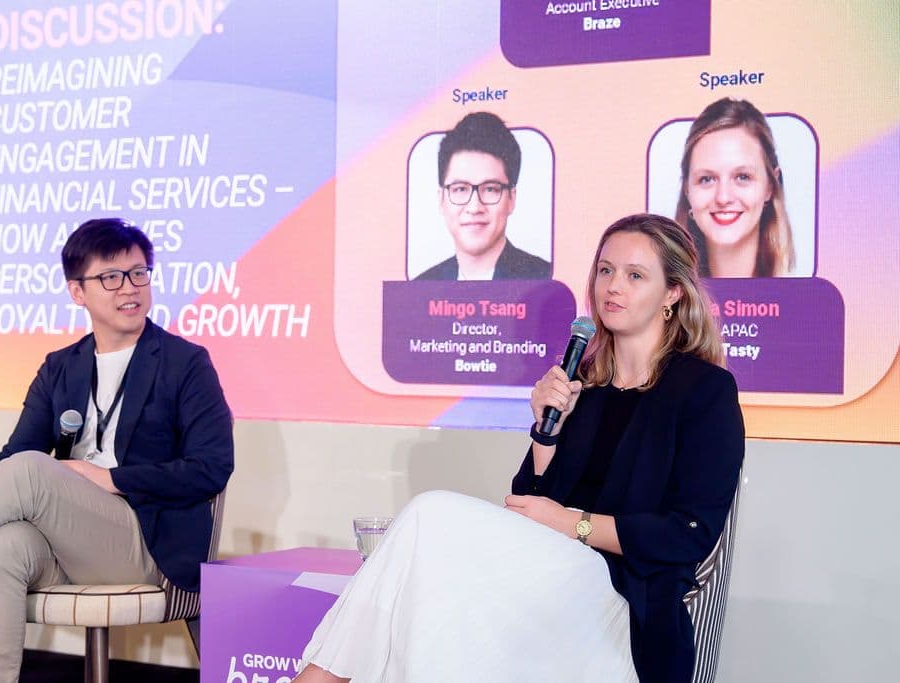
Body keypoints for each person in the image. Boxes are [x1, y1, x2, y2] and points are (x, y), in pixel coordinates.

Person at [295, 214, 744, 682]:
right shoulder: (582, 387)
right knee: (429, 576)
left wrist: (574, 523)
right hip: (549, 586)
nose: (613, 286)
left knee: (429, 516)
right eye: (606, 270)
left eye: (635, 275)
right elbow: (527, 502)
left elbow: (688, 533)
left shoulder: (704, 390)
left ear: (672, 293)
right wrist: (547, 433)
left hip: (627, 600)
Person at [0, 218, 234, 682]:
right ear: (77, 292)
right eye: (111, 277)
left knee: (28, 471)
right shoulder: (61, 367)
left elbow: (212, 468)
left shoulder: (185, 363)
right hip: (74, 543)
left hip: (147, 541)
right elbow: (13, 454)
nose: (130, 288)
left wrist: (111, 479)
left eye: (139, 272)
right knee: (1, 547)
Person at [415, 111, 551, 281]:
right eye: (460, 189)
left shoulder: (545, 280)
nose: (474, 207)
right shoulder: (420, 287)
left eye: (490, 189)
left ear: (511, 199)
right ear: (441, 199)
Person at [675, 97, 796, 277]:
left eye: (742, 177)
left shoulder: (803, 294)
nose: (723, 198)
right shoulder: (660, 299)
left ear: (770, 186)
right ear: (687, 190)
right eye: (707, 179)